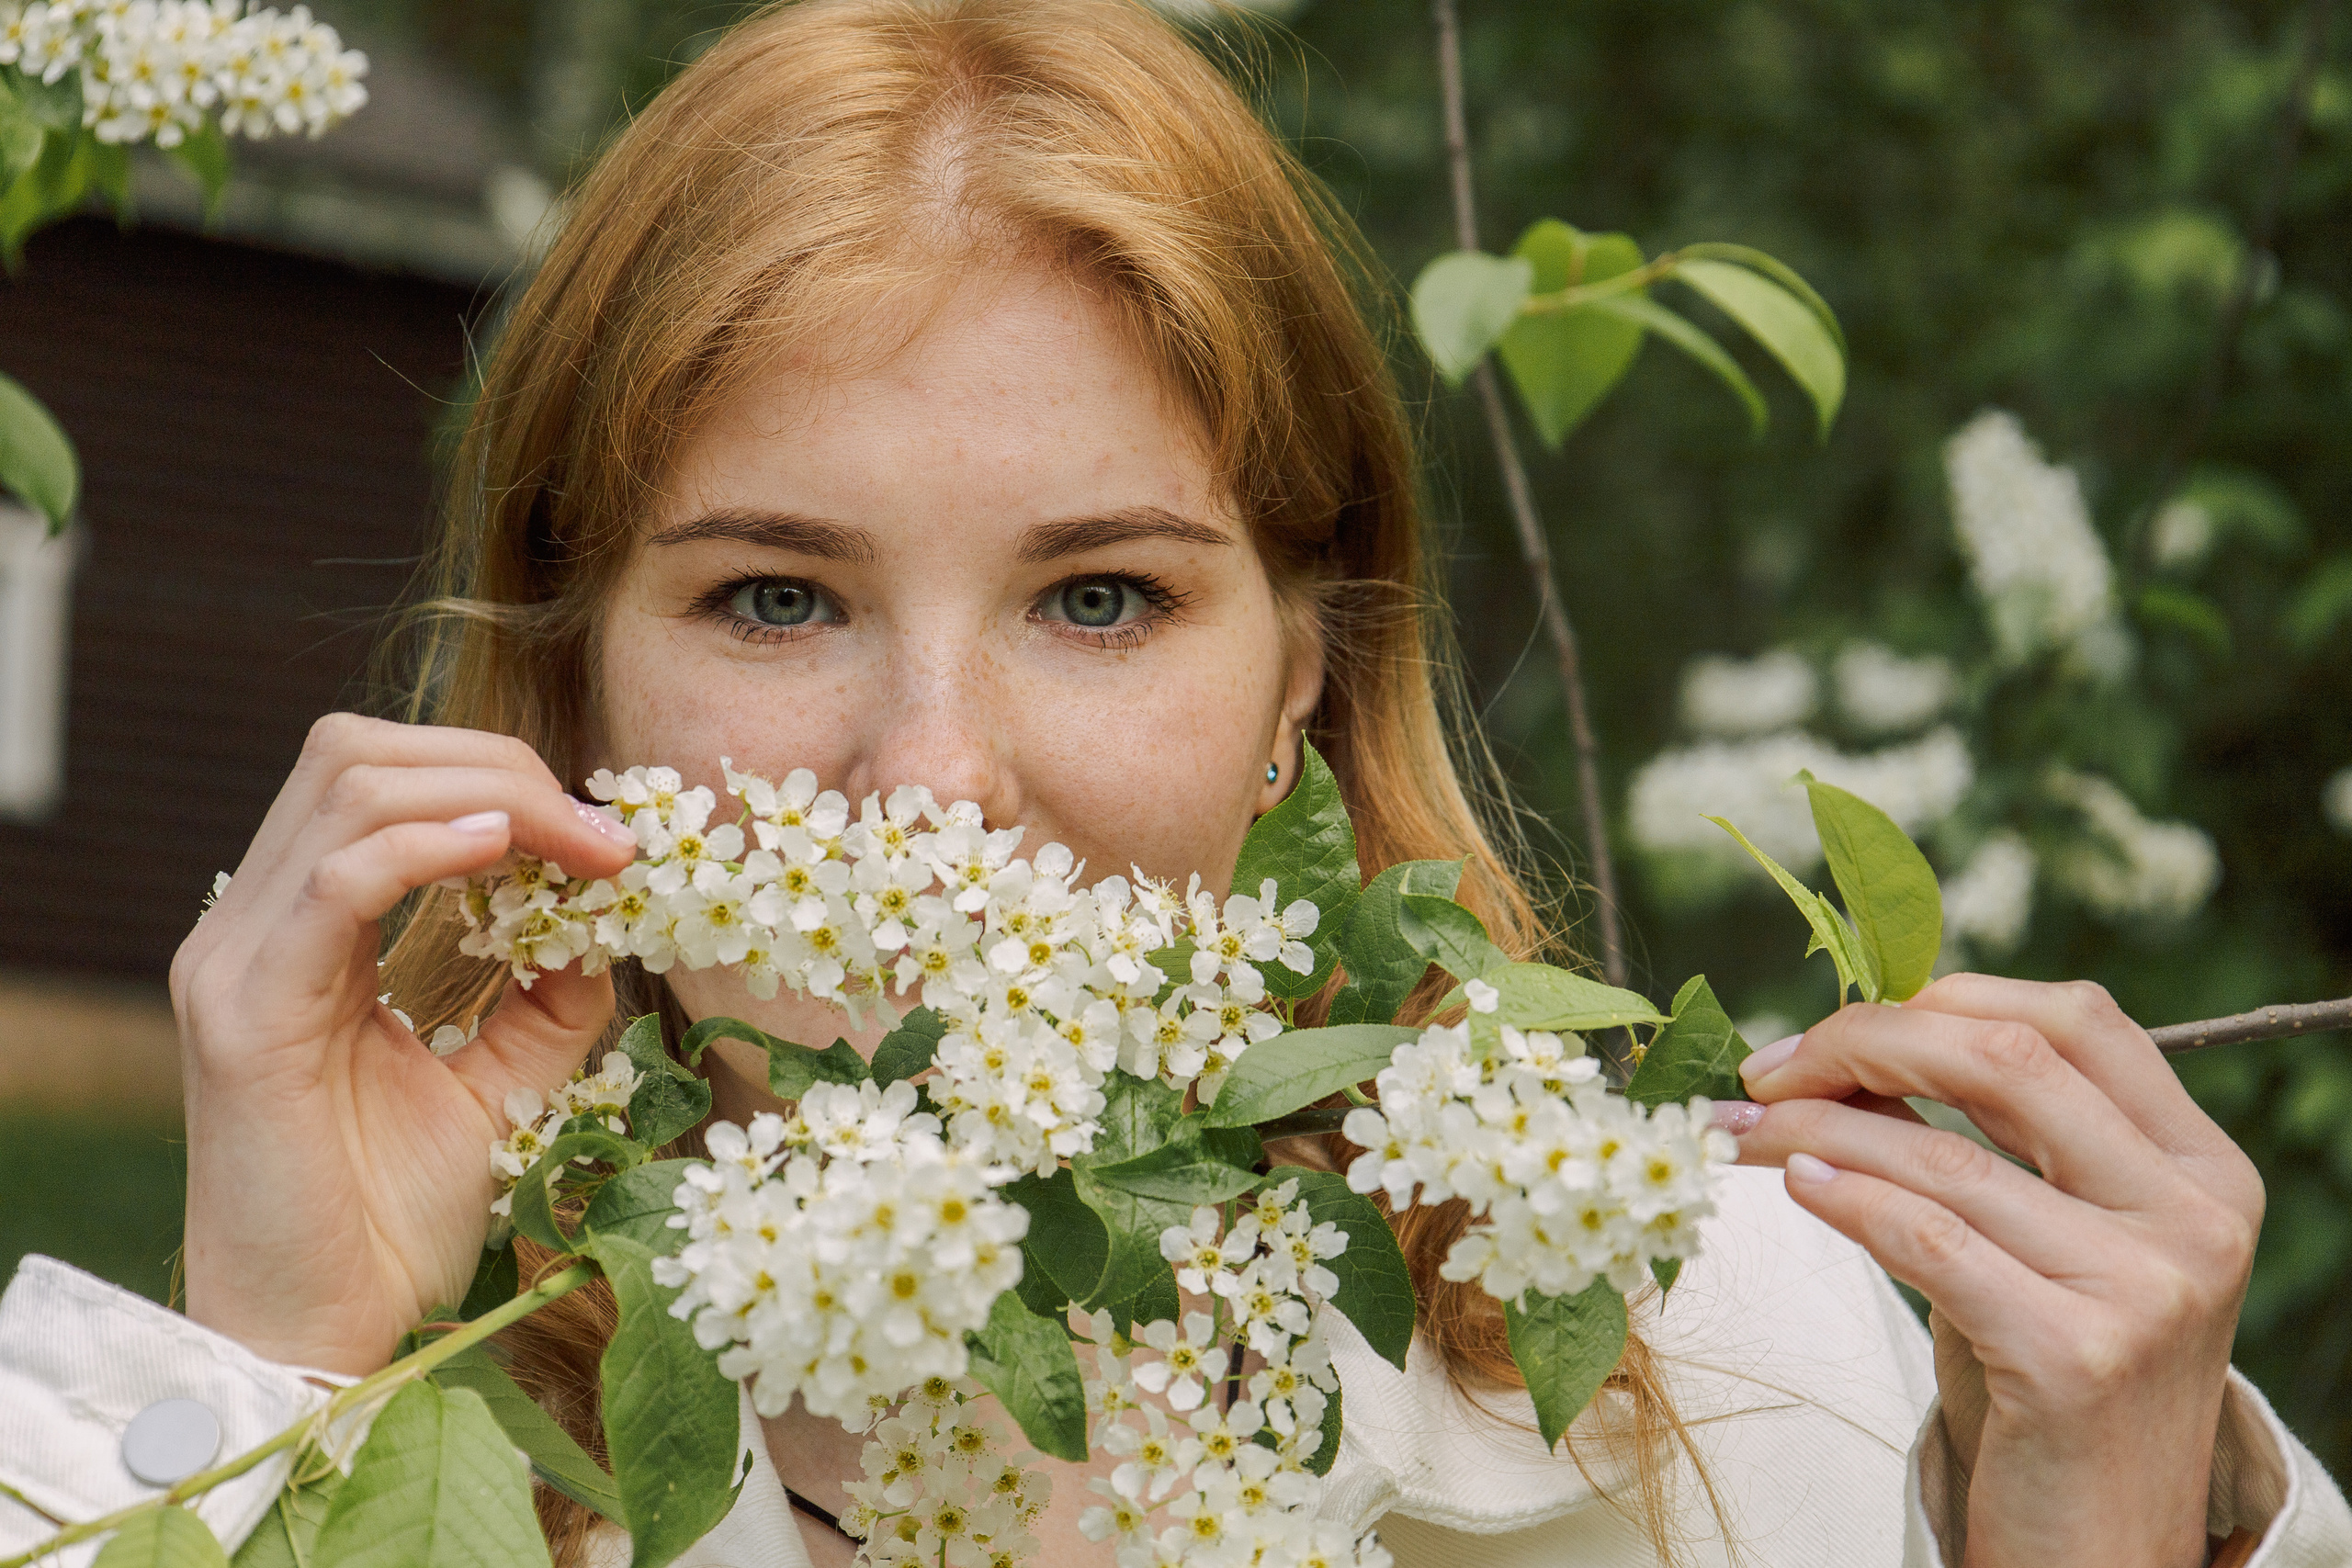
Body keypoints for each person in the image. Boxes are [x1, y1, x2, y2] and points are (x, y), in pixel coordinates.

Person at [2, 3, 2346, 1565]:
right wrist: (282, 1368)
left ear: (1300, 685)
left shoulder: (1752, 1366)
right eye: (774, 600)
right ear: (574, 691)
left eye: (1100, 596)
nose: (934, 783)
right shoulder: (397, 1441)